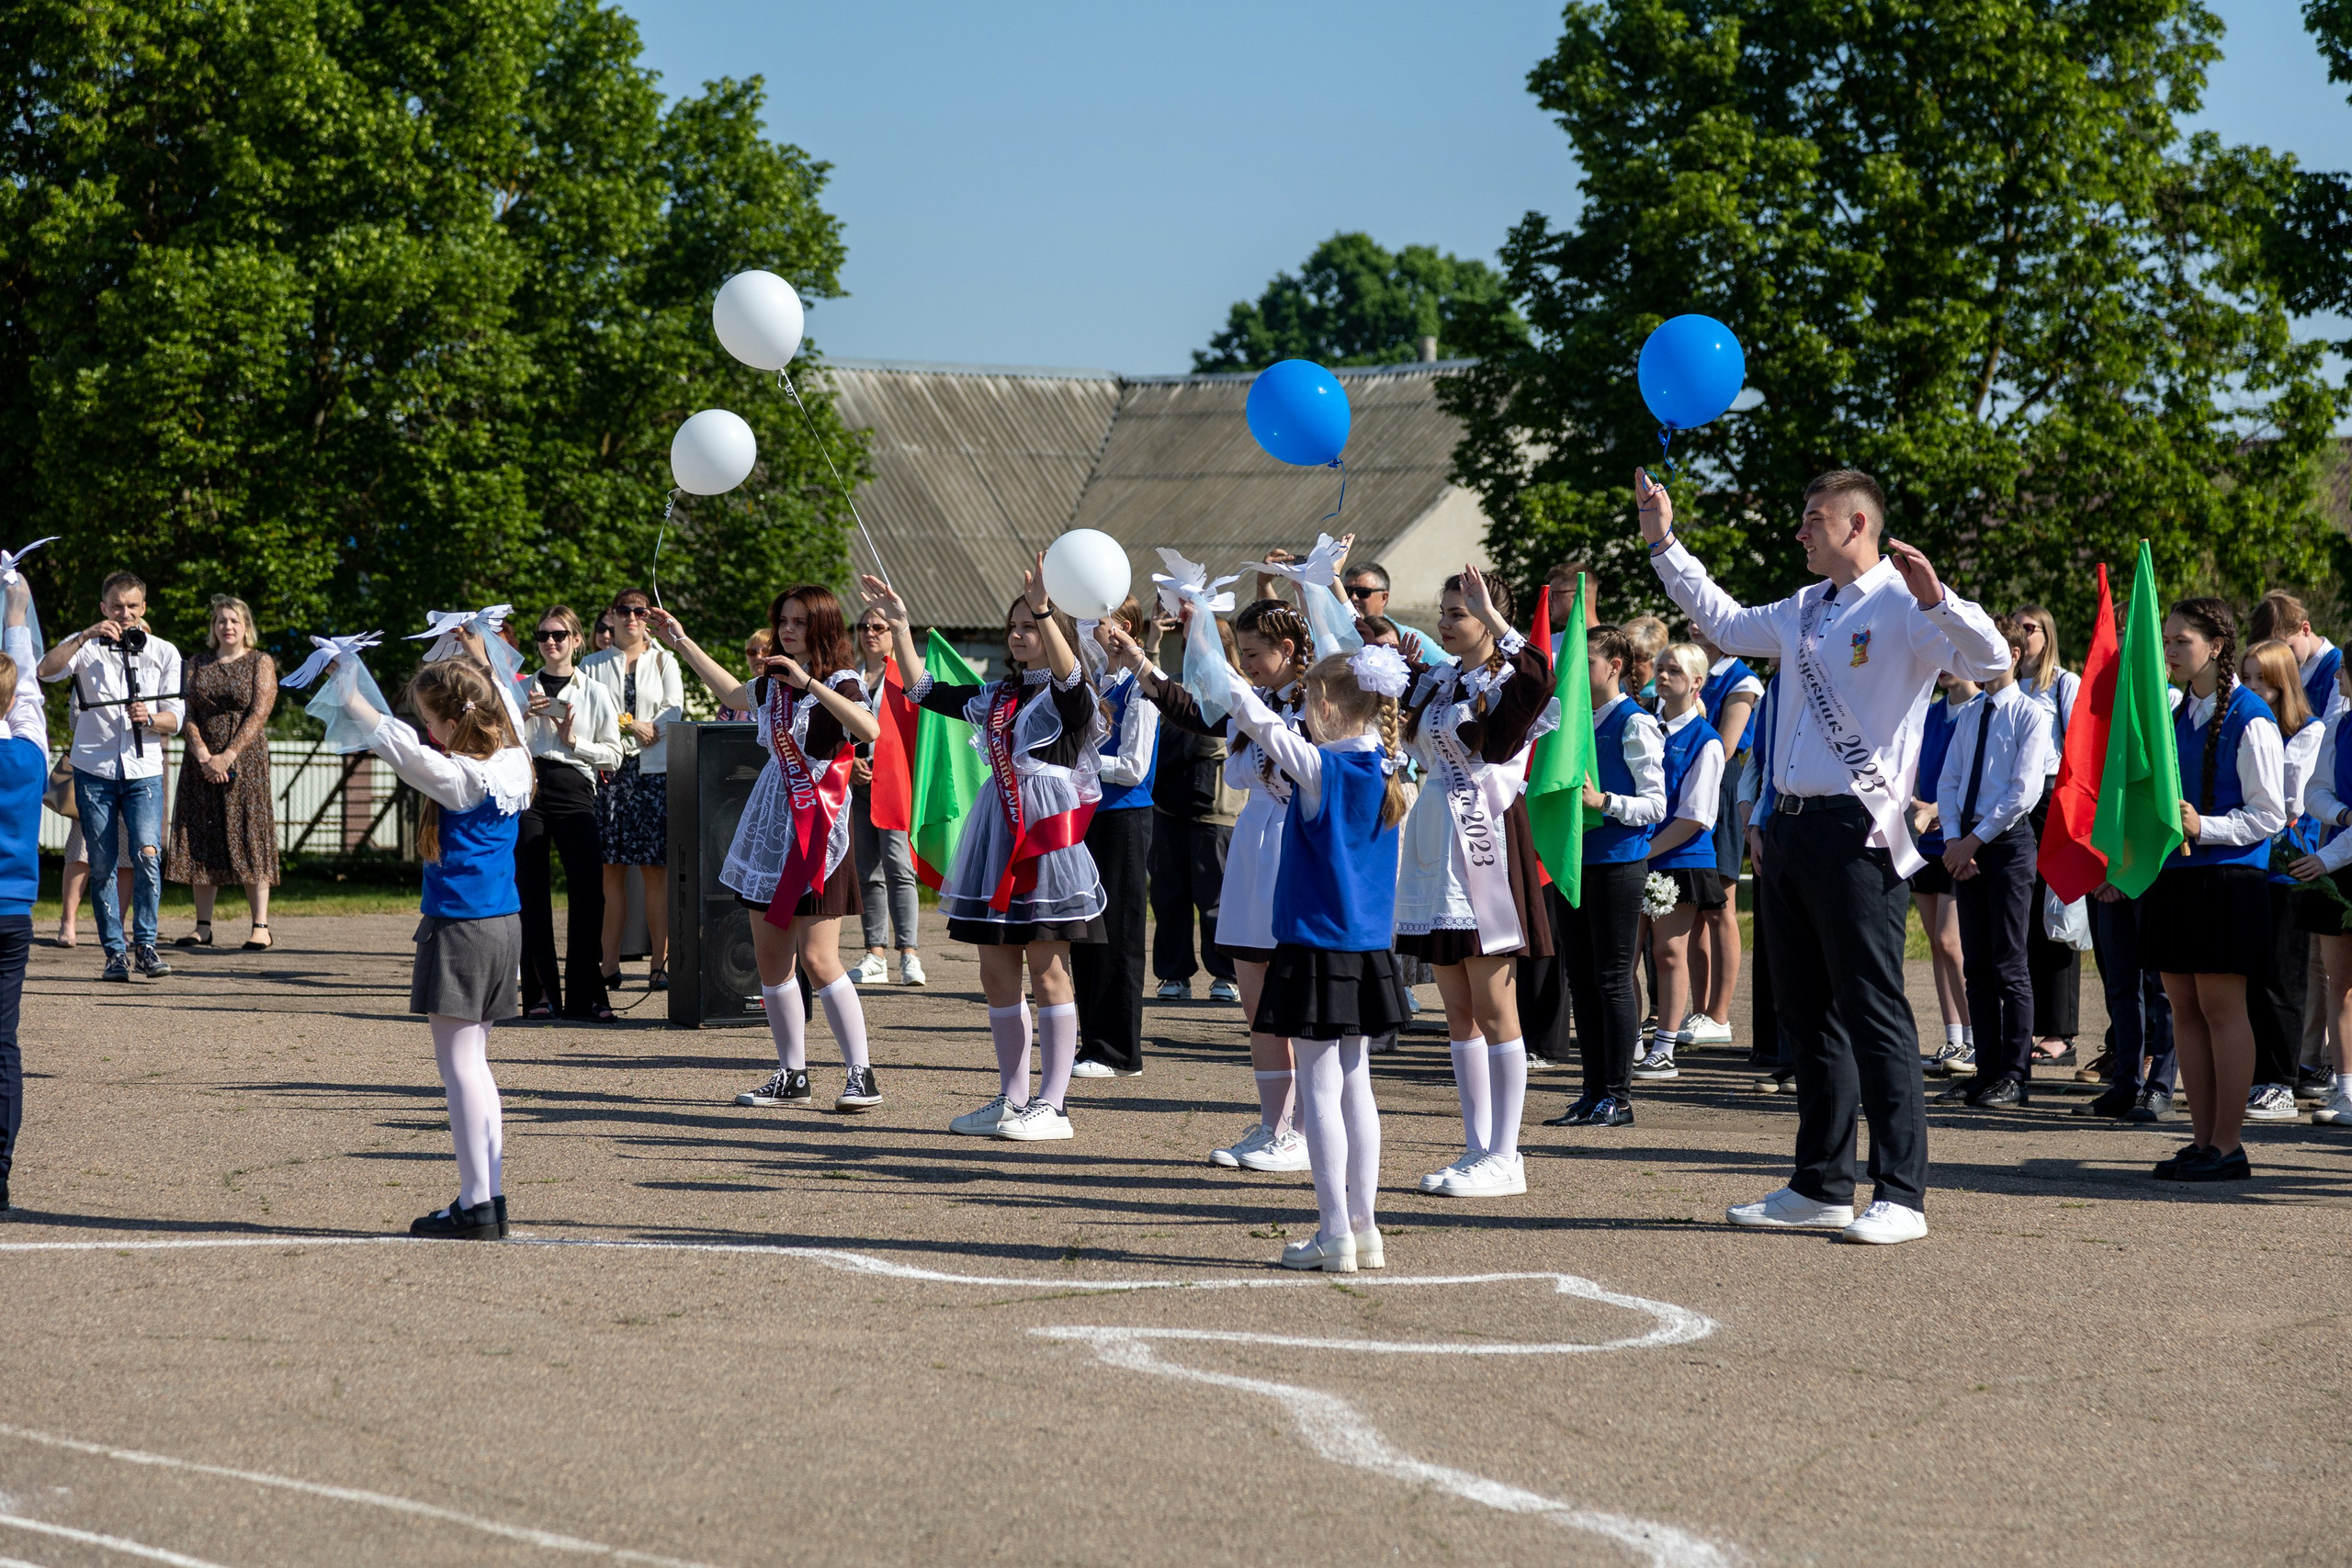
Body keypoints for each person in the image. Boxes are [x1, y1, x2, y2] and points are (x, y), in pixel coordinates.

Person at [1642, 465, 2007, 1246]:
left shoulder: (1908, 605)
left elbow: (1994, 659)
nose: (1800, 530)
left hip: (1858, 834)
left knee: (1875, 1011)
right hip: (1792, 828)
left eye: (1813, 518)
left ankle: (1902, 1192)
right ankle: (1821, 1183)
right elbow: (1726, 623)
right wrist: (1665, 543)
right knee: (1808, 1017)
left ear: (1856, 525)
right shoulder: (1805, 605)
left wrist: (1940, 596)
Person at [1140, 637, 1412, 1272]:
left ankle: (1333, 1230)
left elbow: (1254, 716)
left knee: (1321, 1089)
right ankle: (1364, 1229)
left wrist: (1205, 637)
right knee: (1357, 1088)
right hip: (1368, 951)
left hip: (1317, 946)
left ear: (1320, 704)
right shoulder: (1392, 771)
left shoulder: (1324, 769)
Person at [862, 561, 1103, 1141]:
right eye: (1015, 626)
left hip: (1043, 841)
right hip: (994, 835)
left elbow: (1071, 686)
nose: (1020, 634)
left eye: (1032, 625)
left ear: (1058, 635)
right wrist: (900, 629)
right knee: (996, 971)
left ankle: (1055, 1104)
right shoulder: (998, 694)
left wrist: (1045, 608)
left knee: (1048, 972)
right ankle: (1013, 1098)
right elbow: (924, 691)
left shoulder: (1072, 695)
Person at [654, 591, 885, 1111]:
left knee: (821, 959)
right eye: (782, 621)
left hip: (819, 830)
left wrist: (807, 684)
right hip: (771, 827)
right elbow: (735, 695)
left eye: (799, 622)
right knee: (771, 959)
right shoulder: (773, 684)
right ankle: (791, 1074)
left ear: (822, 627)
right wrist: (682, 641)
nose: (787, 630)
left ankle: (861, 1073)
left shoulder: (839, 682)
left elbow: (867, 730)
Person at [333, 656, 529, 1239]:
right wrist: (478, 653)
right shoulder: (515, 759)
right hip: (502, 923)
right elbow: (507, 708)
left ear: (447, 720)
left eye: (427, 717)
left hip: (464, 926)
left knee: (462, 1068)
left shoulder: (461, 777)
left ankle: (478, 1203)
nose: (423, 728)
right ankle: (484, 1195)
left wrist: (349, 689)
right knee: (476, 1067)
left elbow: (396, 745)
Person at [1131, 598, 1316, 1169]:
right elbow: (1193, 708)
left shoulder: (1323, 699)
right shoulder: (1253, 699)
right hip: (1254, 842)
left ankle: (1309, 1131)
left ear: (1288, 651)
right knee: (1255, 988)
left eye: (1256, 654)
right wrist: (1138, 659)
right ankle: (1272, 1123)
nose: (1249, 665)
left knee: (1304, 992)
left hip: (1302, 845)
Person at [1395, 568, 1555, 1199]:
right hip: (1438, 836)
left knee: (1494, 1005)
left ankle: (1507, 1153)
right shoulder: (1441, 678)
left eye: (1458, 613)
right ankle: (1475, 1147)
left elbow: (1539, 680)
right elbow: (1411, 739)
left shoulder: (1507, 678)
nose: (1444, 622)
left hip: (1484, 842)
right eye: (1445, 612)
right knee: (1456, 1007)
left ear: (1488, 619)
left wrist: (1498, 619)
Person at [2143, 598, 2283, 1182]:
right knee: (2186, 1012)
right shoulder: (2173, 714)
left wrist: (2205, 826)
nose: (2169, 651)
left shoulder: (2251, 716)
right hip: (2177, 878)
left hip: (2229, 878)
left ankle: (2229, 1145)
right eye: (2166, 641)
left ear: (2216, 647)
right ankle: (2201, 1141)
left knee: (2223, 1010)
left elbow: (2270, 814)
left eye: (2181, 642)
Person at [1538, 624, 1666, 1122]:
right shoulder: (1572, 721)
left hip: (1618, 863)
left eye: (1585, 663)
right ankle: (1593, 1092)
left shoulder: (1634, 722)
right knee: (1582, 980)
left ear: (1615, 667)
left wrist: (1604, 802)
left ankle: (1618, 1095)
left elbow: (1656, 804)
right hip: (1576, 862)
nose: (1574, 673)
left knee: (1612, 979)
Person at [36, 571, 185, 982]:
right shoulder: (84, 647)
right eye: (116, 606)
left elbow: (177, 717)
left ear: (144, 608)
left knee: (147, 856)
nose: (124, 614)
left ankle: (147, 945)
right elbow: (45, 671)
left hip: (144, 770)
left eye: (132, 606)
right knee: (101, 863)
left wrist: (152, 718)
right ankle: (114, 954)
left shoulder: (163, 652)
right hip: (94, 769)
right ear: (104, 608)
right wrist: (84, 635)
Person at [1930, 615, 2051, 1110]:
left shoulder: (2031, 714)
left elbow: (2024, 791)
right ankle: (1986, 1070)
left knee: (2009, 964)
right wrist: (1956, 840)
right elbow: (1950, 781)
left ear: (2014, 656)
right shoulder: (1972, 713)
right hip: (1968, 847)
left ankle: (2015, 1074)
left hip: (2005, 845)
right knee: (1976, 965)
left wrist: (1972, 841)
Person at [514, 606, 622, 1021]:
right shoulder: (521, 688)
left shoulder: (594, 691)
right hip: (530, 785)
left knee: (588, 893)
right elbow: (500, 744)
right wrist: (522, 716)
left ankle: (588, 995)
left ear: (577, 640)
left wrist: (573, 740)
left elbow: (614, 755)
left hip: (576, 786)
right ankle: (540, 994)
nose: (550, 643)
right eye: (543, 635)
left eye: (559, 635)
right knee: (531, 891)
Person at [578, 589, 684, 992]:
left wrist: (641, 728)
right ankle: (608, 965)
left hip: (652, 774)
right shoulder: (590, 664)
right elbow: (588, 713)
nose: (632, 618)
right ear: (613, 616)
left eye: (640, 611)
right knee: (610, 871)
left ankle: (661, 964)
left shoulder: (664, 659)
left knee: (656, 872)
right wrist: (631, 725)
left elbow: (673, 711)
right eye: (625, 611)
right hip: (608, 773)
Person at [1071, 598, 1159, 1077]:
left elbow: (1133, 768)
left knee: (1120, 934)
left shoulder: (1141, 690)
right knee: (1085, 930)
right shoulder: (1092, 684)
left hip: (1124, 819)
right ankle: (1093, 1041)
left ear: (1122, 628)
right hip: (1088, 815)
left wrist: (1076, 760)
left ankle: (1120, 1051)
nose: (1085, 630)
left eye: (1094, 622)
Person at [1631, 643, 1724, 1084]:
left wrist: (1644, 851)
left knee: (1668, 952)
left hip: (1680, 857)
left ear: (1696, 682)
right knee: (1624, 954)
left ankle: (1664, 1047)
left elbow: (1695, 816)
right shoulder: (1645, 726)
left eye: (1673, 671)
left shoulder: (1706, 741)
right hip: (1637, 854)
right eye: (1660, 669)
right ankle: (1628, 1041)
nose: (1662, 677)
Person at [165, 594, 280, 951]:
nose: (227, 627)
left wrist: (227, 756)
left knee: (250, 834)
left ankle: (260, 926)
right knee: (202, 835)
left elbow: (260, 712)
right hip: (200, 761)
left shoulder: (260, 661)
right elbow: (185, 712)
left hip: (245, 760)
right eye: (220, 621)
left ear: (246, 626)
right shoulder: (196, 663)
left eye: (234, 620)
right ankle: (203, 927)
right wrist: (203, 755)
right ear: (213, 627)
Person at [2240, 638, 2321, 1124]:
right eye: (2245, 678)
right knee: (2251, 978)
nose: (2250, 688)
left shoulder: (2307, 733)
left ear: (2281, 683)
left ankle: (2281, 1083)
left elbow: (2289, 804)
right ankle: (2254, 1075)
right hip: (2253, 866)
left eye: (2259, 680)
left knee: (2281, 981)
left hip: (2291, 872)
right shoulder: (2247, 725)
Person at [1146, 615, 1239, 1003]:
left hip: (1215, 810)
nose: (1192, 652)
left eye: (1201, 644)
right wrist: (1151, 641)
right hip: (1169, 808)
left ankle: (1227, 975)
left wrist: (1165, 745)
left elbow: (1204, 743)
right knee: (1168, 898)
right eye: (1187, 645)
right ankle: (1173, 975)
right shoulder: (1180, 688)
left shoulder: (1237, 688)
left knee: (1216, 898)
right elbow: (1148, 688)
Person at [2011, 604, 2082, 1067]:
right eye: (2016, 628)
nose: (2022, 635)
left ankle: (2060, 1030)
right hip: (2020, 801)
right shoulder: (2010, 685)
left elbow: (2079, 745)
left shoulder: (2063, 683)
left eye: (2029, 627)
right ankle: (2032, 1022)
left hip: (2056, 801)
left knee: (2058, 916)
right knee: (2026, 915)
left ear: (2048, 633)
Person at [1685, 627, 1761, 1049]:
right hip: (1688, 785)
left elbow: (1726, 746)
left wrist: (1692, 714)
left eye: (1704, 618)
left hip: (1722, 786)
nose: (1696, 625)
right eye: (1691, 617)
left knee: (1720, 906)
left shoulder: (1742, 678)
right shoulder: (1690, 667)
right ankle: (1701, 1011)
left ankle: (1720, 1014)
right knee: (1695, 907)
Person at [1, 579, 50, 1212]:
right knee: (2, 1043)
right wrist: (17, 607)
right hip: (12, 911)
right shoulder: (32, 756)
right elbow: (31, 694)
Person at [842, 607, 923, 987]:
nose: (870, 633)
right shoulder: (849, 675)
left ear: (893, 632)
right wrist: (851, 761)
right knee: (866, 869)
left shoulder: (905, 674)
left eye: (879, 627)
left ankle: (909, 953)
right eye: (863, 627)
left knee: (898, 865)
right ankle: (875, 952)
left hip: (894, 780)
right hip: (853, 780)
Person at [2291, 656, 2352, 1126]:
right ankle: (2347, 1091)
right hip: (2339, 870)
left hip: (2333, 861)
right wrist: (2344, 817)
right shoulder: (2341, 724)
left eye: (2344, 667)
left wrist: (2326, 858)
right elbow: (2315, 792)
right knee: (2340, 985)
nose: (2336, 675)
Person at [1910, 671, 1978, 1077]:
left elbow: (1972, 778)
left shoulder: (1978, 713)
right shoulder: (1930, 713)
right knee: (1936, 943)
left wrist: (1937, 811)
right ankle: (1954, 1037)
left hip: (1960, 838)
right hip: (1925, 842)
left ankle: (1975, 1039)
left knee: (1952, 942)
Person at [1340, 562, 1443, 664]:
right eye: (1347, 591)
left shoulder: (1410, 638)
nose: (1353, 598)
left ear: (1384, 598)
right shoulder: (1336, 635)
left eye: (1363, 592)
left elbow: (1449, 667)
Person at [715, 629, 773, 722]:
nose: (758, 657)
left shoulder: (788, 695)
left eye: (765, 651)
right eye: (752, 652)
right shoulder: (733, 698)